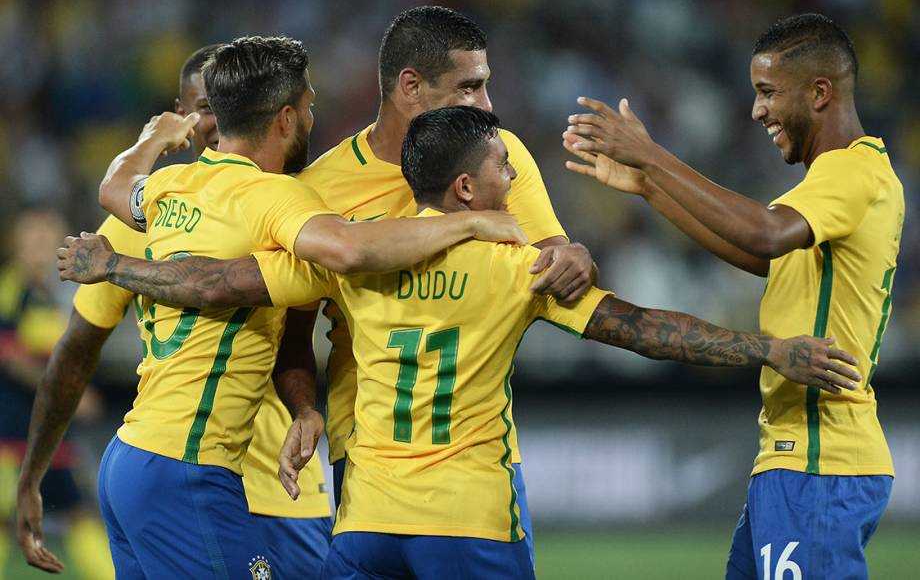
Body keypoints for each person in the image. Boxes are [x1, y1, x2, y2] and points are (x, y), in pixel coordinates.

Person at [60, 106, 862, 580]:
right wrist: (766, 350)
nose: (517, 180)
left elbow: (223, 285)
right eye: (504, 168)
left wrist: (121, 265)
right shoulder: (519, 268)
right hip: (469, 523)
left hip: (365, 524)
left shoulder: (352, 258)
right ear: (469, 188)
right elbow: (645, 331)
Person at [88, 36, 523, 579]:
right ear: (287, 118)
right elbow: (347, 249)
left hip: (128, 457)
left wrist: (153, 138)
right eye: (311, 106)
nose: (315, 118)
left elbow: (114, 188)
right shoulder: (272, 196)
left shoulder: (173, 186)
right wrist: (472, 222)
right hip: (187, 465)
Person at [562, 13, 902, 580]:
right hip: (796, 459)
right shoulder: (839, 181)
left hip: (821, 460)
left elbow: (764, 232)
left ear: (820, 93)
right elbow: (765, 255)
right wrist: (650, 187)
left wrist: (653, 157)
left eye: (768, 92)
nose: (757, 111)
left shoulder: (850, 173)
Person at [16, 45, 335, 578]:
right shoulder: (139, 220)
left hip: (283, 494)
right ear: (181, 116)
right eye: (203, 108)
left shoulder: (278, 203)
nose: (214, 123)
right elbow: (74, 354)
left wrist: (305, 407)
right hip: (186, 472)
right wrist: (33, 475)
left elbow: (295, 334)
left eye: (222, 107)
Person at [297, 6, 594, 565]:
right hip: (365, 452)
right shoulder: (322, 188)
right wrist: (300, 406)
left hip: (472, 452)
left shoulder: (496, 154)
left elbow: (555, 264)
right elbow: (293, 321)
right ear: (411, 85)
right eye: (470, 87)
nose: (485, 105)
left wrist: (578, 259)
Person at [0, 208, 114, 579]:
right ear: (15, 241)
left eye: (49, 235)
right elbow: (10, 355)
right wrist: (72, 394)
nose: (41, 243)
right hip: (11, 430)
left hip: (46, 429)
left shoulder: (50, 293)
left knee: (78, 512)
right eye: (32, 235)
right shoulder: (10, 290)